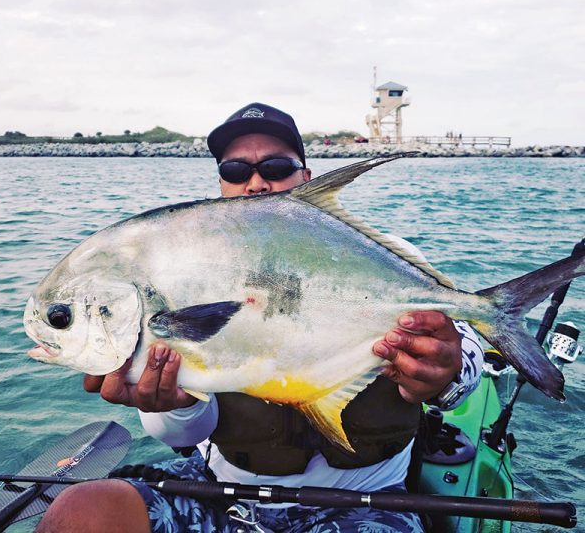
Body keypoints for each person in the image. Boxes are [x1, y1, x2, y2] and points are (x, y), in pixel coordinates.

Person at [37, 103, 484, 533]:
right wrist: (175, 403)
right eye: (235, 171)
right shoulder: (188, 266)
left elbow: (465, 351)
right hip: (224, 492)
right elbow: (186, 433)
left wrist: (443, 375)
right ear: (221, 185)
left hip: (366, 499)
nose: (255, 183)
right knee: (81, 511)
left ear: (306, 179)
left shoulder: (384, 258)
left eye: (275, 168)